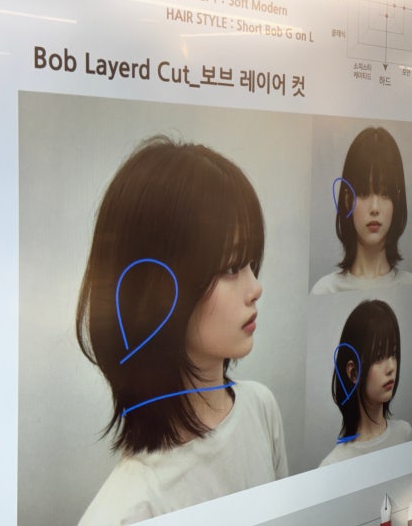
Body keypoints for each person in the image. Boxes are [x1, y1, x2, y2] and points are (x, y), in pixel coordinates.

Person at [76, 136, 287, 524]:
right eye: (231, 267)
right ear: (154, 291)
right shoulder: (128, 510)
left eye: (250, 263)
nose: (255, 287)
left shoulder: (261, 409)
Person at [311, 127, 412, 294]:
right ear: (347, 200)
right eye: (363, 193)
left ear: (397, 200)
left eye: (385, 193)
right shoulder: (326, 290)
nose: (374, 208)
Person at [320, 300, 412, 466]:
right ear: (353, 373)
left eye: (393, 353)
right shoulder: (333, 464)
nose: (391, 367)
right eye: (378, 357)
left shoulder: (405, 435)